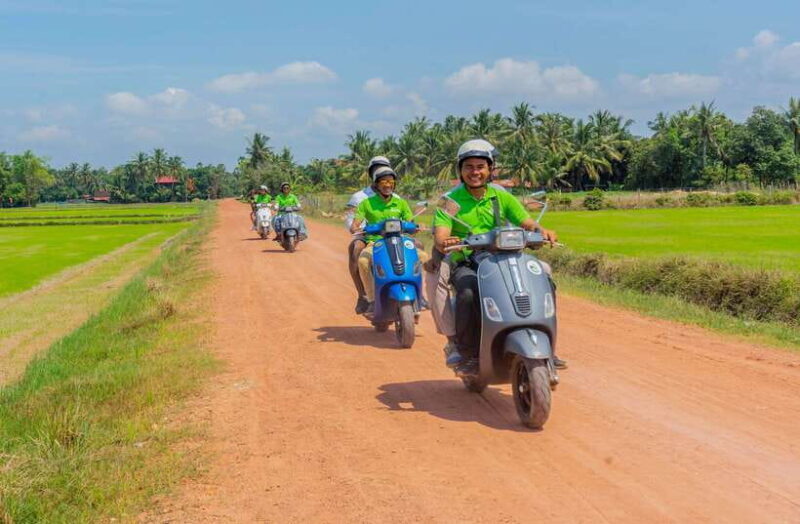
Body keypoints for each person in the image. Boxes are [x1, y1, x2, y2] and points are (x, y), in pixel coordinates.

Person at [432, 139, 566, 370]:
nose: (475, 172)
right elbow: (441, 234)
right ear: (460, 170)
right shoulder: (450, 202)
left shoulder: (501, 196)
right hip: (467, 259)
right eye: (469, 167)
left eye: (480, 167)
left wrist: (540, 231)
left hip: (504, 257)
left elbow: (525, 221)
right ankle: (468, 352)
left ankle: (548, 347)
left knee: (543, 280)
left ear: (490, 169)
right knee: (467, 292)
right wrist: (446, 241)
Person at [350, 166, 429, 314]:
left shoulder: (401, 203)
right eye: (383, 182)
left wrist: (417, 227)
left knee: (423, 257)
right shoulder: (366, 203)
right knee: (363, 261)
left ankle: (421, 295)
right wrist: (355, 228)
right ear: (376, 185)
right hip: (376, 242)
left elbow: (410, 222)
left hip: (400, 239)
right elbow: (355, 224)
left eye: (391, 181)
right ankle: (372, 300)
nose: (388, 185)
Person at [346, 156, 391, 314]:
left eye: (384, 168)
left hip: (392, 236)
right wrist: (359, 229)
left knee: (415, 247)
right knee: (356, 249)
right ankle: (362, 294)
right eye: (376, 169)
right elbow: (351, 219)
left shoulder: (396, 197)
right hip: (367, 235)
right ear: (371, 174)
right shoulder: (359, 197)